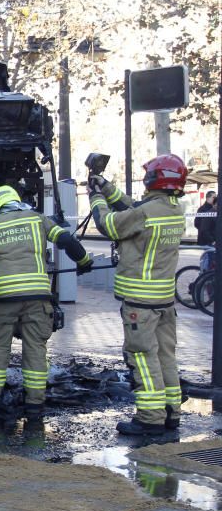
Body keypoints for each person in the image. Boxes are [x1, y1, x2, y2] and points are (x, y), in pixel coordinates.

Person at [89, 155, 187, 435]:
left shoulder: (146, 213)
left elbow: (108, 223)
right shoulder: (172, 209)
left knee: (142, 357)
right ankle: (171, 413)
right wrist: (106, 187)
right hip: (165, 301)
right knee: (165, 356)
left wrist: (96, 198)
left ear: (156, 178)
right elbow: (133, 207)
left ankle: (149, 418)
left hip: (139, 304)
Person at [0, 185, 93, 416]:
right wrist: (84, 261)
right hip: (38, 299)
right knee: (36, 350)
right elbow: (66, 240)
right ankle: (35, 403)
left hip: (3, 300)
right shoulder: (36, 219)